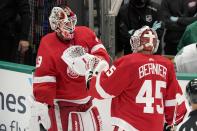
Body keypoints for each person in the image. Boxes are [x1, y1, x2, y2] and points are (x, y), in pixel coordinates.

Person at [71, 26, 187, 131]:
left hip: (127, 126)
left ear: (136, 42)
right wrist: (171, 123)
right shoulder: (166, 65)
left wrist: (90, 74)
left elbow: (103, 90)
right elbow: (175, 100)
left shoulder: (128, 62)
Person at [32, 6, 110, 131]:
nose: (71, 27)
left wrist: (91, 61)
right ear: (56, 26)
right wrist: (43, 106)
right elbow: (44, 80)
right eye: (66, 24)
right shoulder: (47, 43)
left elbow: (103, 56)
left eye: (73, 22)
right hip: (63, 108)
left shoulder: (85, 32)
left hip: (88, 105)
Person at [28, 0, 67, 65]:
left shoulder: (60, 1)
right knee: (39, 63)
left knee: (55, 62)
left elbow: (64, 16)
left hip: (56, 37)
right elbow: (31, 17)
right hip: (39, 36)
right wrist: (30, 40)